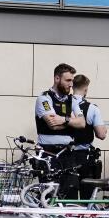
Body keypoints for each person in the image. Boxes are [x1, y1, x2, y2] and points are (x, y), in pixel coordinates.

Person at [34, 63, 87, 197]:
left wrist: (64, 120)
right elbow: (52, 124)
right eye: (68, 80)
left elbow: (82, 123)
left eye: (72, 81)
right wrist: (71, 120)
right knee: (50, 195)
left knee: (71, 193)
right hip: (48, 153)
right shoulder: (44, 98)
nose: (71, 85)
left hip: (68, 153)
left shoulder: (72, 100)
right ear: (57, 79)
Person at [69, 74, 108, 182]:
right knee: (86, 195)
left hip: (65, 156)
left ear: (72, 87)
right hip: (84, 157)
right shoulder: (92, 108)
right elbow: (101, 135)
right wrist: (104, 129)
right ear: (86, 89)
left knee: (66, 195)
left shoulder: (64, 104)